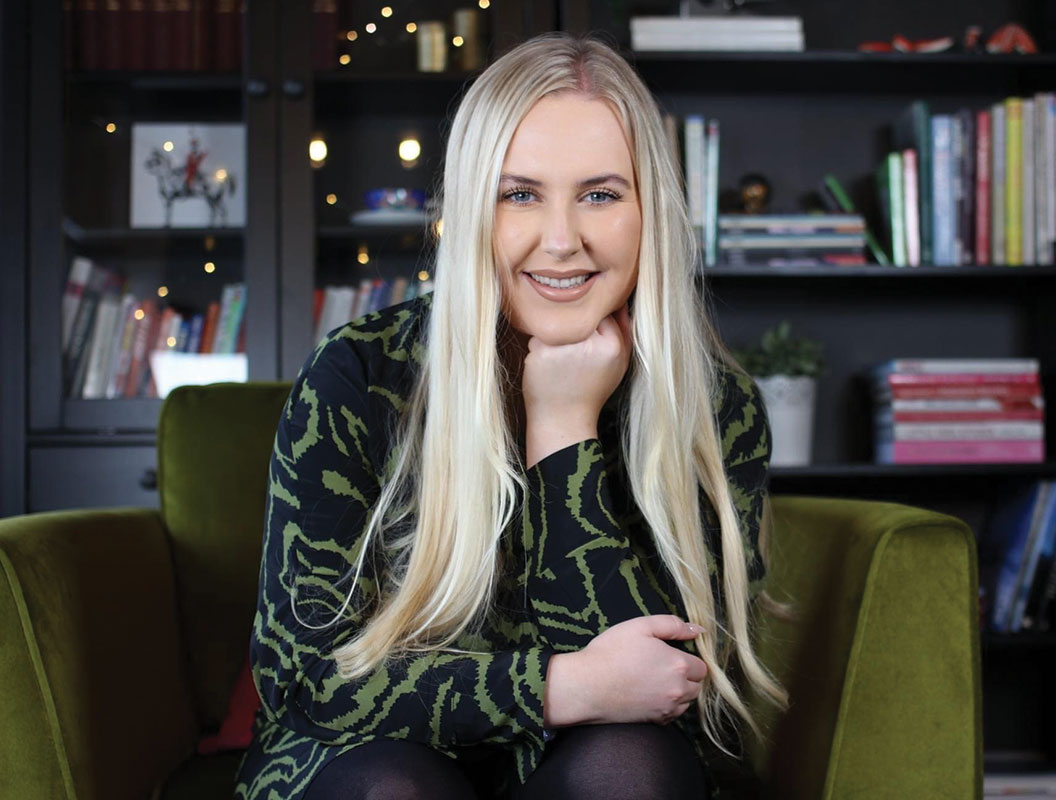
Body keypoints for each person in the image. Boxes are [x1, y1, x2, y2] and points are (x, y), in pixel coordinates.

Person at [233, 32, 790, 800]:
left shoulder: (717, 409)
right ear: (472, 210)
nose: (561, 242)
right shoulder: (360, 374)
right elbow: (308, 679)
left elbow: (663, 692)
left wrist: (563, 432)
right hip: (363, 764)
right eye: (519, 193)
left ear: (649, 211)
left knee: (630, 767)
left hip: (600, 771)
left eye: (600, 193)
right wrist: (564, 687)